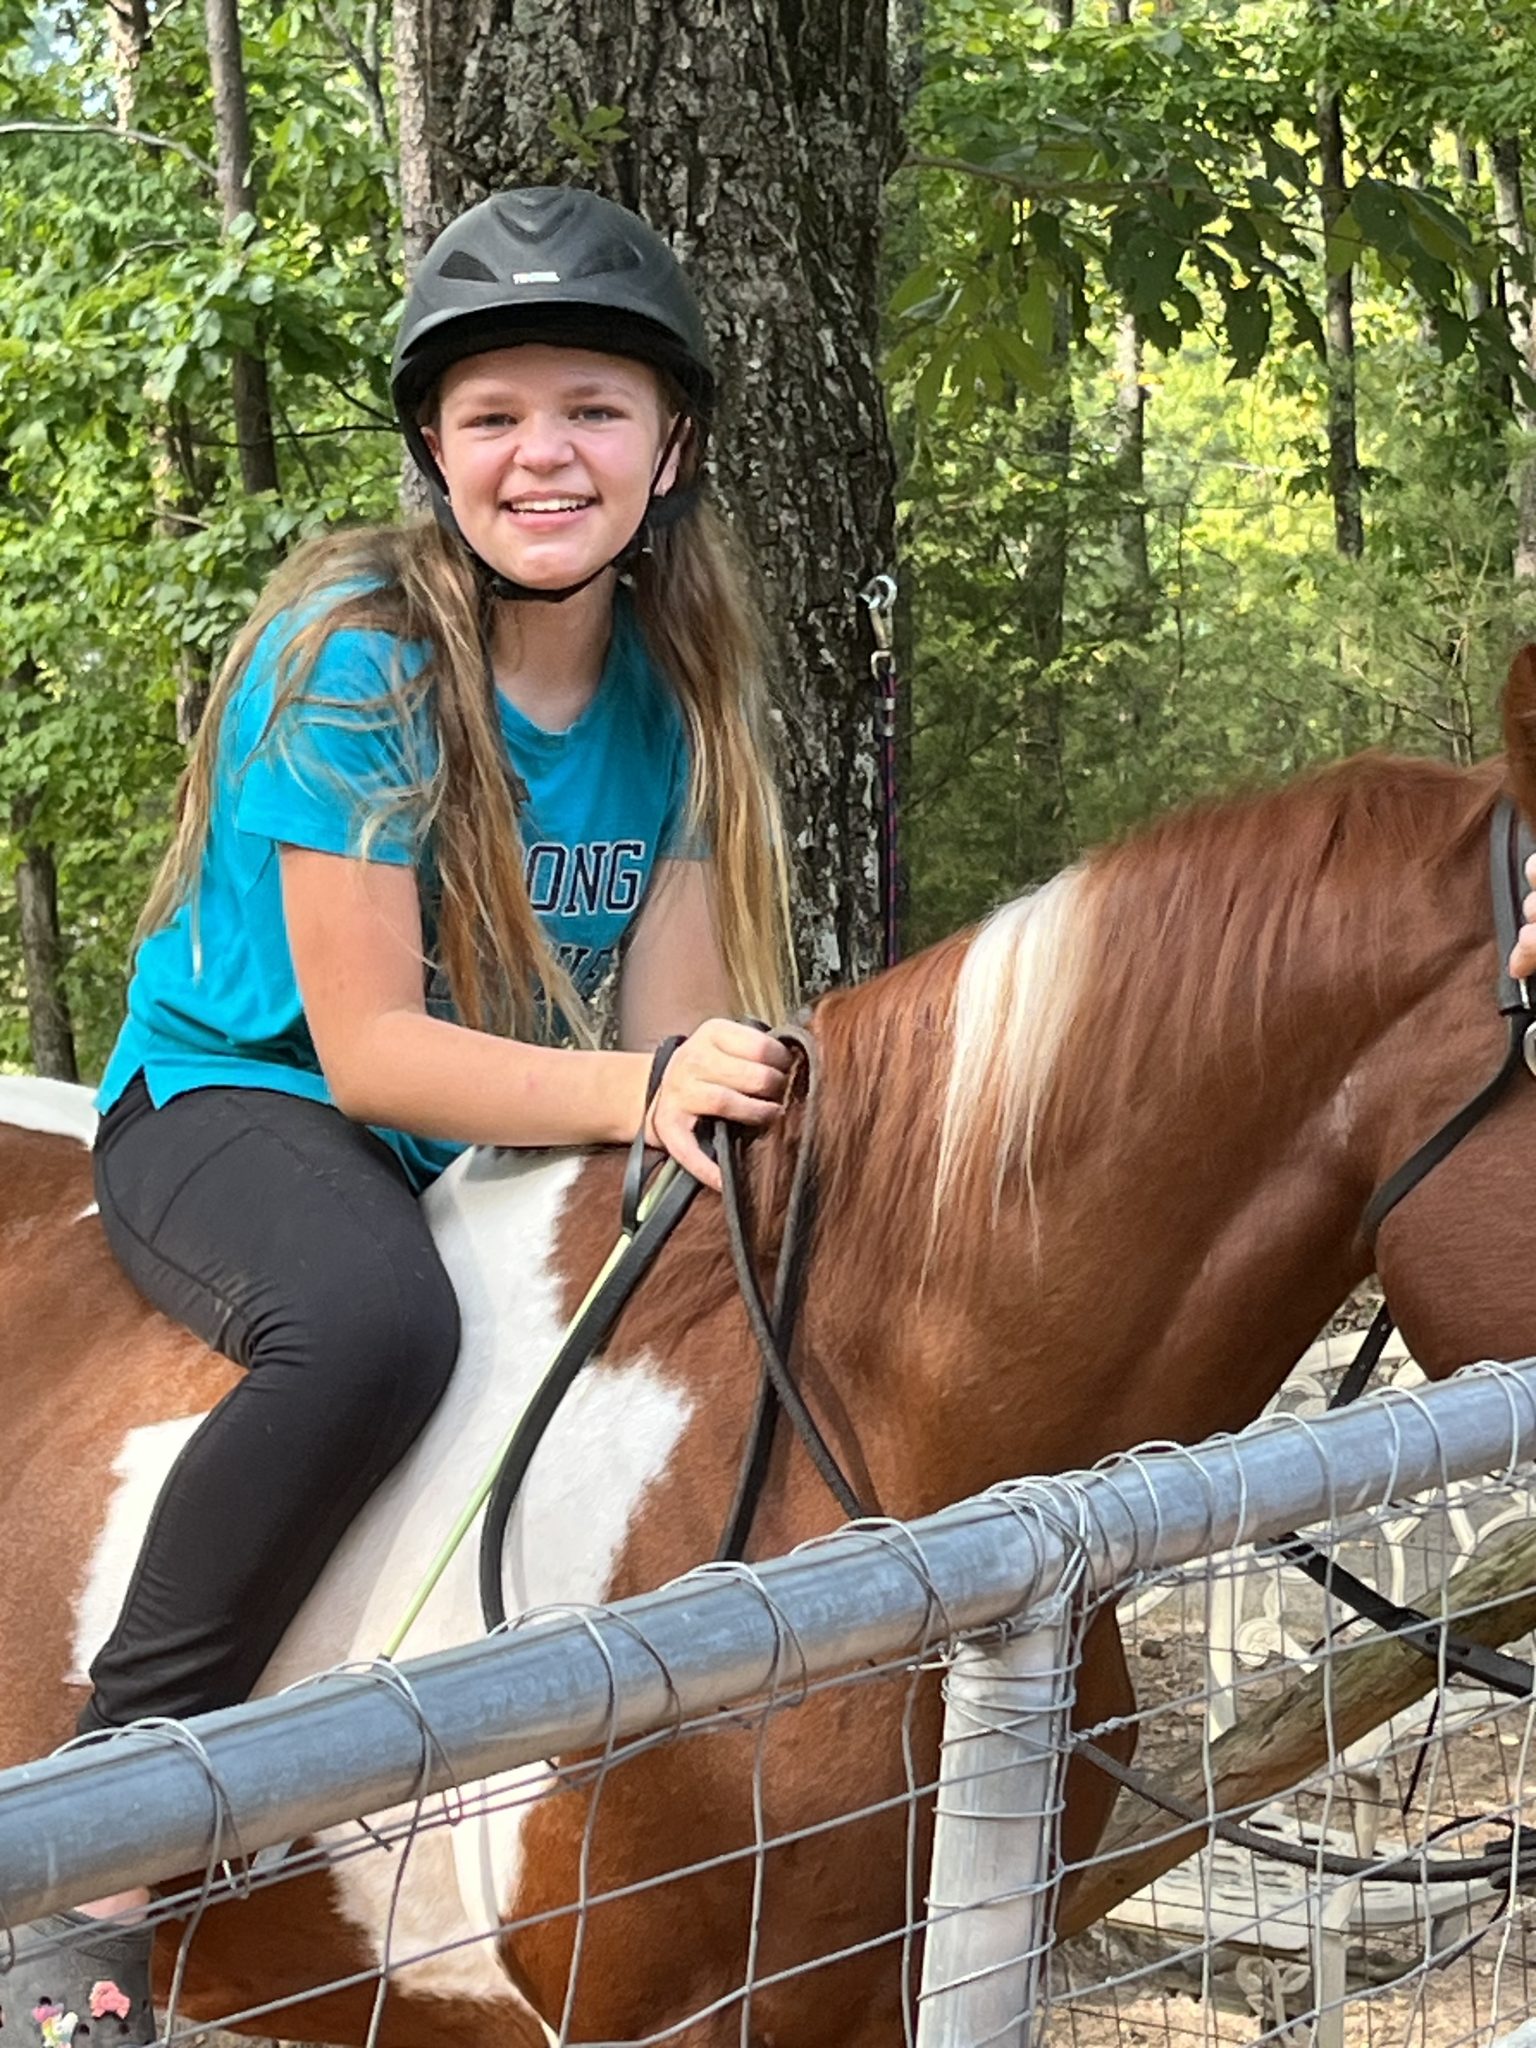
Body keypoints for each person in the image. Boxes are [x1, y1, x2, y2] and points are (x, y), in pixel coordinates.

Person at [4, 186, 795, 2043]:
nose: (545, 453)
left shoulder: (673, 703)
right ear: (436, 452)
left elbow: (669, 1046)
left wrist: (713, 1100)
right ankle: (91, 1842)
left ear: (670, 448)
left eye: (593, 409)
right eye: (493, 414)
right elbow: (368, 1052)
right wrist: (645, 1087)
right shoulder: (357, 655)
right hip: (247, 1099)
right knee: (370, 1325)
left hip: (479, 1125)